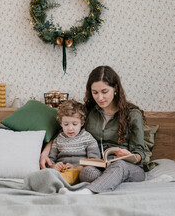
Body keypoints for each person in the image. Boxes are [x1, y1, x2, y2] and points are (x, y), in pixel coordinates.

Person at [40, 65, 146, 194]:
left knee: (120, 166)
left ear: (115, 89)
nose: (99, 98)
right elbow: (63, 132)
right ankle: (108, 181)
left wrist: (131, 156)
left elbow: (140, 152)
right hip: (100, 166)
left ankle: (85, 193)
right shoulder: (89, 111)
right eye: (95, 92)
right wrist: (45, 153)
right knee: (85, 172)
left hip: (129, 167)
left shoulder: (133, 114)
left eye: (104, 92)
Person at [48, 99, 100, 185]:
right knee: (48, 174)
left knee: (90, 172)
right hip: (62, 172)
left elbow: (94, 161)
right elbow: (51, 160)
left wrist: (76, 168)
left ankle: (60, 184)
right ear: (61, 123)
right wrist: (54, 166)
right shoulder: (58, 139)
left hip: (80, 172)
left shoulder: (88, 138)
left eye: (75, 124)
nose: (70, 128)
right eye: (66, 124)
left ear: (82, 123)